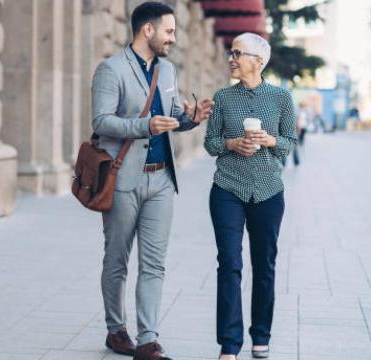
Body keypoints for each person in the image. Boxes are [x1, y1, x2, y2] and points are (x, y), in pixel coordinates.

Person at [92, 2, 214, 359]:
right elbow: (101, 121)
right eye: (169, 31)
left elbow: (171, 116)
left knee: (154, 263)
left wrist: (192, 117)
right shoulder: (111, 70)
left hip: (161, 179)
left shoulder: (169, 70)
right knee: (116, 260)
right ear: (148, 29)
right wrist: (143, 125)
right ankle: (116, 331)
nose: (173, 39)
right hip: (123, 179)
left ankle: (148, 339)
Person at [204, 32, 297, 360]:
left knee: (265, 264)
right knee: (229, 262)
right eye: (231, 52)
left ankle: (261, 336)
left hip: (269, 192)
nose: (232, 58)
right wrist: (232, 144)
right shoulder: (223, 97)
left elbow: (290, 142)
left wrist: (270, 141)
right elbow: (211, 143)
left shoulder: (282, 98)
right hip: (227, 188)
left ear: (258, 61)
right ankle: (229, 345)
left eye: (238, 53)